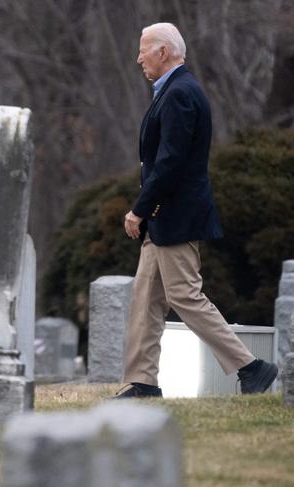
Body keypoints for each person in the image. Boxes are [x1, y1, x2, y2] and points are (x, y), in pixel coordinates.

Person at [116, 22, 278, 398]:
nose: (138, 57)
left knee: (185, 296)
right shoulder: (170, 91)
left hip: (175, 217)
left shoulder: (180, 94)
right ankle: (142, 382)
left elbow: (170, 162)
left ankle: (251, 367)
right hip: (164, 219)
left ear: (163, 52)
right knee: (146, 300)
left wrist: (139, 210)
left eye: (144, 49)